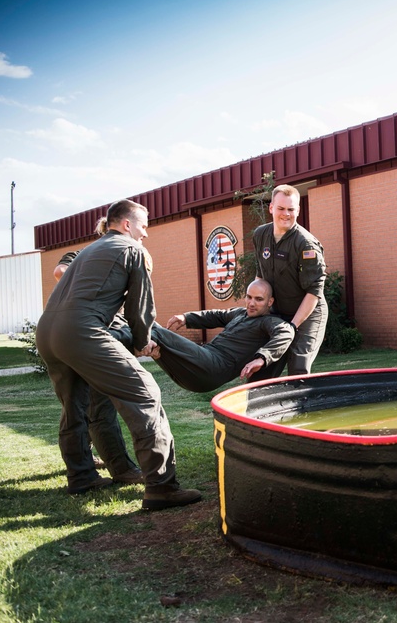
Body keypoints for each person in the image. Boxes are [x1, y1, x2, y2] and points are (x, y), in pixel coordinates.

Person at [36, 199, 201, 510]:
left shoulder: (88, 250)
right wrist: (143, 343)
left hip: (47, 331)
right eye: (143, 227)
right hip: (81, 331)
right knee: (145, 393)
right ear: (127, 225)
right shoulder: (130, 249)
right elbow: (141, 306)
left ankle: (82, 476)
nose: (146, 235)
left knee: (74, 407)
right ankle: (162, 487)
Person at [50, 216, 141, 482]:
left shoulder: (114, 258)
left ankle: (82, 471)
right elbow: (59, 272)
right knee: (98, 407)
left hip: (65, 333)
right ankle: (122, 470)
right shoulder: (85, 256)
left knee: (76, 407)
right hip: (87, 335)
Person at [113, 278, 294, 393]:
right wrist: (186, 317)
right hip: (193, 371)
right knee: (153, 336)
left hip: (212, 367)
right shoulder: (241, 313)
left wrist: (262, 358)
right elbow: (216, 315)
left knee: (156, 332)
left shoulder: (269, 322)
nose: (251, 303)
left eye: (259, 299)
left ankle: (103, 339)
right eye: (249, 297)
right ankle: (114, 325)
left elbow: (287, 332)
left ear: (270, 302)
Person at [251, 184, 328, 376]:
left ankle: (303, 406)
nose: (286, 214)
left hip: (308, 312)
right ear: (271, 208)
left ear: (298, 211)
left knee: (298, 366)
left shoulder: (306, 244)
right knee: (262, 365)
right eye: (281, 208)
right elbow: (260, 276)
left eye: (291, 209)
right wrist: (255, 309)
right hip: (278, 311)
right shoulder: (260, 235)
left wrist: (292, 327)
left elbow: (314, 292)